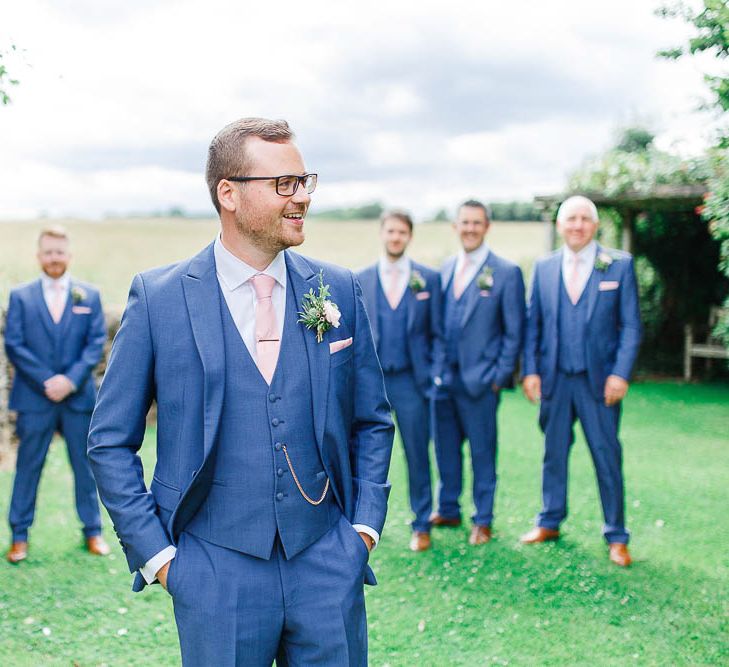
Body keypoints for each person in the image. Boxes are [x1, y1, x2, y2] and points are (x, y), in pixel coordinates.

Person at [87, 117, 394, 666]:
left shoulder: (338, 288)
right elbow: (110, 441)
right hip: (213, 572)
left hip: (326, 560)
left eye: (305, 181)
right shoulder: (158, 299)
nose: (301, 197)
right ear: (228, 193)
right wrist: (159, 557)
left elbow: (371, 419)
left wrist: (363, 531)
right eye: (284, 184)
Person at [520, 195, 642, 567]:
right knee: (553, 455)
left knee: (606, 456)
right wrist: (531, 370)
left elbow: (631, 326)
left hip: (599, 383)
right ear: (559, 225)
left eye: (584, 219)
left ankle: (616, 535)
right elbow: (534, 325)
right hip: (556, 381)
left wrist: (620, 374)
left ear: (595, 225)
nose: (577, 225)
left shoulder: (618, 265)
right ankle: (550, 521)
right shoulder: (544, 268)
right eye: (570, 219)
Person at [4, 226, 109, 563]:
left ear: (69, 255)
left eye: (59, 252)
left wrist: (70, 380)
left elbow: (95, 344)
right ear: (39, 256)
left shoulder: (88, 295)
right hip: (35, 398)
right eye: (48, 252)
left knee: (85, 467)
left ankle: (92, 531)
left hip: (77, 399)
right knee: (28, 467)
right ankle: (19, 536)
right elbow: (14, 344)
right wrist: (48, 380)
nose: (54, 258)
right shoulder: (20, 296)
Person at [431, 200, 525, 545]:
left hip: (481, 381)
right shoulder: (443, 269)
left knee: (483, 453)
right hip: (443, 379)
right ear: (455, 227)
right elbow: (437, 325)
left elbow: (515, 331)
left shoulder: (506, 271)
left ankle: (483, 519)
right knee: (445, 449)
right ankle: (448, 508)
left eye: (476, 223)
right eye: (464, 223)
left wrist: (499, 377)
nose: (469, 228)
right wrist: (435, 368)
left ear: (486, 227)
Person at [357, 210, 440, 552]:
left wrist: (433, 373)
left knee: (417, 453)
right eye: (390, 231)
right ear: (382, 233)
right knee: (365, 455)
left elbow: (439, 331)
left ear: (409, 236)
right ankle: (363, 523)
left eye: (402, 232)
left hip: (412, 382)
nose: (395, 237)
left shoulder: (427, 279)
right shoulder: (359, 279)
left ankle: (421, 523)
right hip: (372, 383)